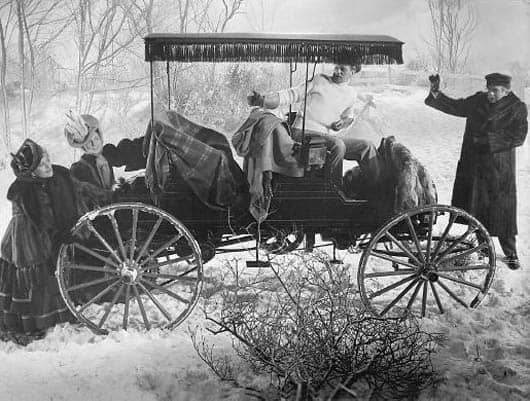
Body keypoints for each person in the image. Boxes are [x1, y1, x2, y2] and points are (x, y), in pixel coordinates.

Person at [425, 73, 528, 270]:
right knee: (477, 208)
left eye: (495, 91)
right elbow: (455, 106)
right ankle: (483, 247)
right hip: (473, 165)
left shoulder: (517, 107)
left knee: (502, 213)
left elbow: (518, 136)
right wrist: (436, 92)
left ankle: (511, 253)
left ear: (506, 91)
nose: (490, 94)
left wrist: (488, 141)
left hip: (499, 170)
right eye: (489, 89)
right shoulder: (478, 101)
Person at [247, 63, 382, 186]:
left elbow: (349, 117)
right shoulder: (319, 80)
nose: (337, 71)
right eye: (336, 67)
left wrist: (343, 123)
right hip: (302, 132)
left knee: (367, 146)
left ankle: (378, 189)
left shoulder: (351, 93)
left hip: (327, 137)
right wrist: (264, 100)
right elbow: (292, 94)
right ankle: (333, 187)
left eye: (342, 69)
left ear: (353, 70)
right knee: (338, 145)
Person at [0, 140, 78, 341]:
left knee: (45, 276)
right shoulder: (26, 193)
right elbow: (42, 220)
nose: (48, 165)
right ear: (32, 172)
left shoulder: (51, 180)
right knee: (35, 276)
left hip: (40, 233)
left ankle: (50, 319)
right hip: (27, 237)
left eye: (48, 160)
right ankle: (33, 324)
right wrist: (57, 236)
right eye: (42, 164)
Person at [65, 112, 114, 208]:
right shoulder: (78, 169)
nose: (94, 144)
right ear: (83, 147)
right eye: (88, 142)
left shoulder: (107, 155)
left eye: (96, 138)